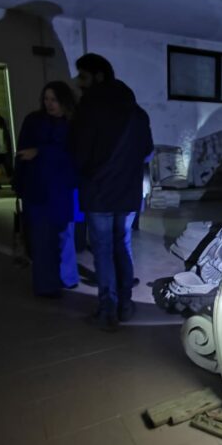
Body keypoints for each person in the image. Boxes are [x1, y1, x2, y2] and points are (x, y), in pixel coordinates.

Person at [71, 53, 154, 331]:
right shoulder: (137, 112)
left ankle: (108, 310)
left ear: (98, 76)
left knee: (103, 251)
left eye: (83, 76)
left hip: (99, 194)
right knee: (123, 246)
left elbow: (78, 154)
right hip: (128, 194)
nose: (78, 82)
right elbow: (147, 152)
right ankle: (126, 305)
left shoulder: (88, 108)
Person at [14, 82, 80, 298]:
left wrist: (41, 152)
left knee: (62, 236)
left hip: (62, 189)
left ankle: (63, 279)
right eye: (46, 99)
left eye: (54, 99)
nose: (50, 104)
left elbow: (74, 155)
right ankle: (47, 285)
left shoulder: (72, 124)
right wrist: (20, 184)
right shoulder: (35, 121)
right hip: (39, 189)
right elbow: (23, 154)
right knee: (42, 239)